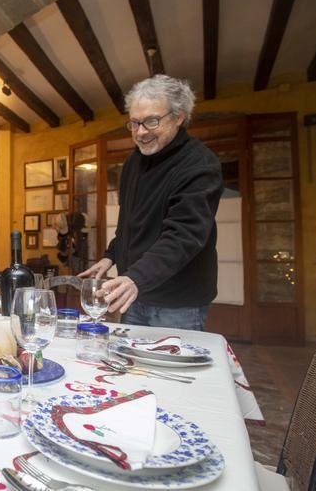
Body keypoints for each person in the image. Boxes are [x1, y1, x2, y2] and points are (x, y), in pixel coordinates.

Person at [79, 75, 224, 330]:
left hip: (177, 303)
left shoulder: (199, 164)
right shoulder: (133, 163)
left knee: (170, 370)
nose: (141, 132)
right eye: (135, 123)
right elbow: (130, 224)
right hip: (135, 293)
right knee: (132, 369)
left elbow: (183, 235)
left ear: (179, 117)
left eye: (151, 121)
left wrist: (135, 278)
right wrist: (110, 257)